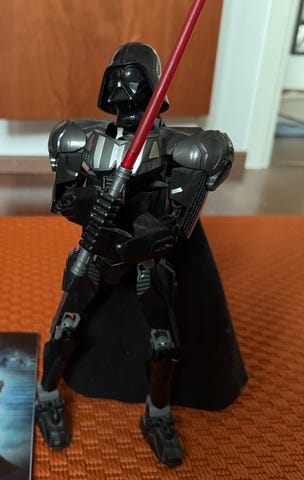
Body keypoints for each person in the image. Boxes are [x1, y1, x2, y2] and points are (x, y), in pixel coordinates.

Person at [35, 42, 245, 467]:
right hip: (97, 248)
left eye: (133, 79)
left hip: (149, 253)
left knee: (163, 339)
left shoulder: (182, 147)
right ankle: (46, 396)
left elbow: (178, 224)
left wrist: (139, 239)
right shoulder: (80, 138)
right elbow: (64, 200)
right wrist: (92, 204)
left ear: (153, 85)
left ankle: (158, 414)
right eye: (117, 79)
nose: (124, 89)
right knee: (66, 324)